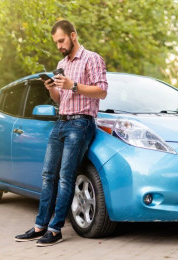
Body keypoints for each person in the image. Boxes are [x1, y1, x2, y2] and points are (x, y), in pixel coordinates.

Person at [15, 20, 108, 247]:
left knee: (66, 177)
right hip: (61, 122)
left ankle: (55, 229)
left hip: (81, 123)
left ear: (73, 35)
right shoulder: (61, 63)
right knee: (48, 175)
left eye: (61, 40)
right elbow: (61, 99)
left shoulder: (92, 58)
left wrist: (73, 85)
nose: (58, 46)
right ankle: (40, 226)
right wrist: (53, 90)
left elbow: (102, 91)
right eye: (56, 42)